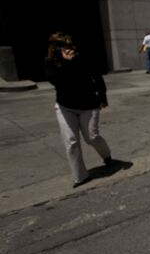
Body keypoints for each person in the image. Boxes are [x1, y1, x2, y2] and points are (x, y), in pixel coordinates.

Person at [44, 32, 112, 188]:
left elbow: (96, 77)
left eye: (68, 46)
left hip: (89, 105)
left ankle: (107, 156)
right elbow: (57, 81)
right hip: (65, 107)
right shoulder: (50, 63)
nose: (67, 50)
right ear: (55, 49)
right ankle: (80, 176)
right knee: (71, 141)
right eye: (62, 47)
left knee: (92, 138)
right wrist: (66, 63)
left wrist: (103, 97)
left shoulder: (82, 59)